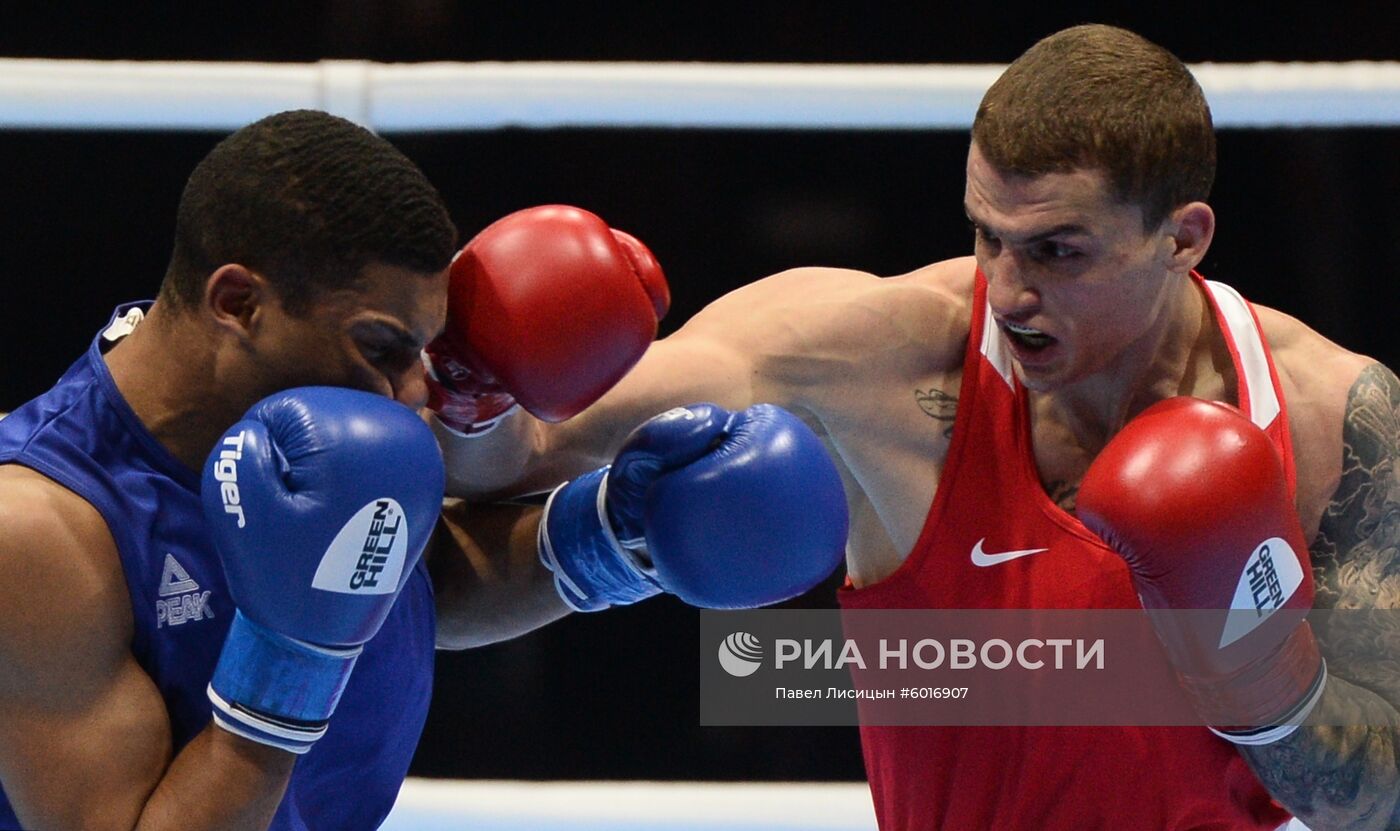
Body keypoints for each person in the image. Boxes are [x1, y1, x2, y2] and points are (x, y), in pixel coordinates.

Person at [430, 24, 1400, 830]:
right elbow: (517, 457)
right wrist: (480, 385)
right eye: (987, 235)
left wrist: (1261, 680)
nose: (1010, 291)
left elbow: (1378, 796)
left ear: (1181, 239)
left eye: (1056, 250)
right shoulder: (878, 358)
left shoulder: (1329, 421)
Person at [0, 110, 848, 830]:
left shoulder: (320, 439)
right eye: (382, 348)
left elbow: (405, 586)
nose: (416, 393)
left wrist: (612, 538)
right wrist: (288, 657)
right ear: (237, 303)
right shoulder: (39, 530)